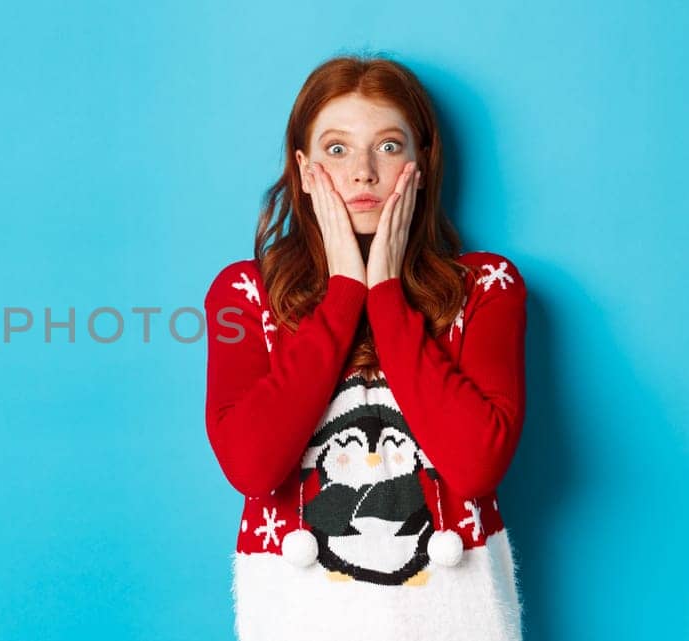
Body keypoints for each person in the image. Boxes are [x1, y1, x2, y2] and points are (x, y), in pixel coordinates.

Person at [203, 54, 527, 640]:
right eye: (336, 149)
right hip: (300, 616)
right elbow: (254, 467)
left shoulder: (485, 288)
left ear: (421, 163)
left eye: (386, 146)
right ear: (303, 169)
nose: (362, 173)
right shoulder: (244, 294)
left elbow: (475, 467)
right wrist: (344, 292)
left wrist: (384, 292)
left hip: (453, 615)